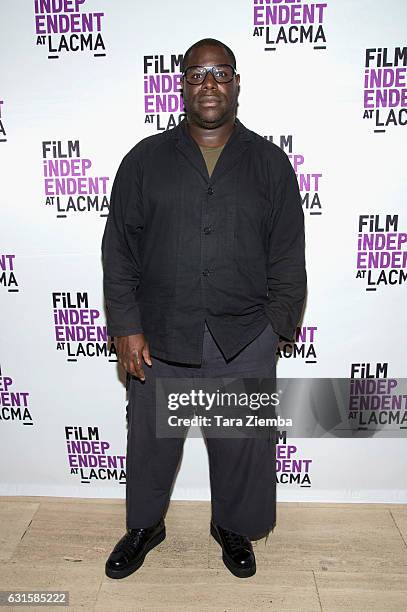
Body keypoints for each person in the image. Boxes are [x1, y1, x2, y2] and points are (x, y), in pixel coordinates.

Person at [102, 38, 306, 580]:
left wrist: (274, 328)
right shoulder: (144, 160)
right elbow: (119, 249)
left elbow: (288, 252)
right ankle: (146, 525)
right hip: (160, 335)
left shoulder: (268, 162)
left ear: (236, 83)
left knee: (241, 446)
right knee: (150, 442)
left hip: (243, 336)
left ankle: (232, 526)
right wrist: (126, 326)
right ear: (183, 84)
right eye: (197, 73)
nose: (209, 83)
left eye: (220, 73)